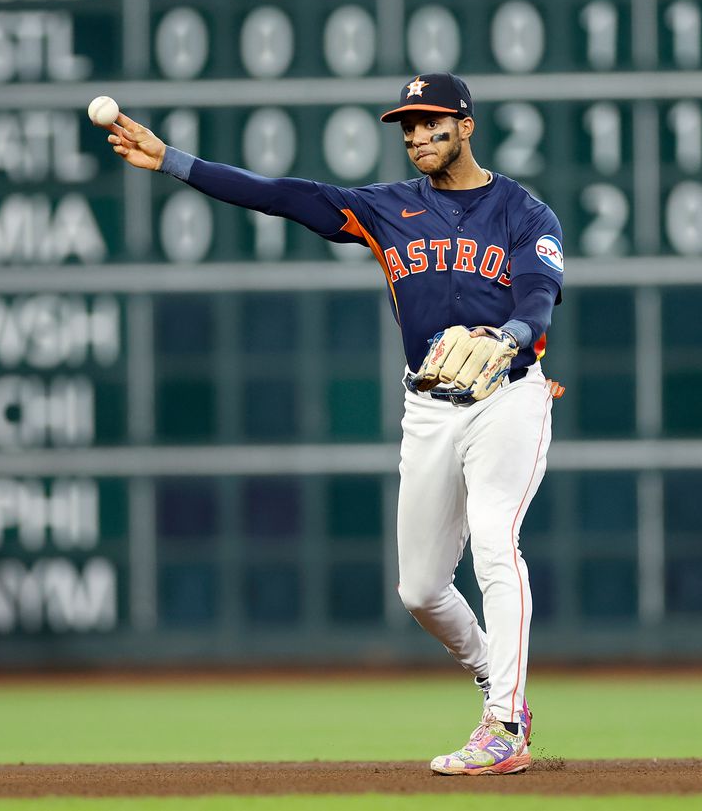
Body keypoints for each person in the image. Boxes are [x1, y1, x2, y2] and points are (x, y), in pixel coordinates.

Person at [98, 72, 565, 775]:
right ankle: (494, 679)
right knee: (421, 590)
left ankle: (504, 721)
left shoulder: (525, 214)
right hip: (429, 406)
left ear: (466, 125)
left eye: (430, 121)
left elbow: (539, 294)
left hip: (510, 396)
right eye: (406, 125)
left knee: (496, 541)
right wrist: (172, 160)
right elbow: (284, 196)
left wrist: (510, 334)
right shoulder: (386, 210)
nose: (415, 135)